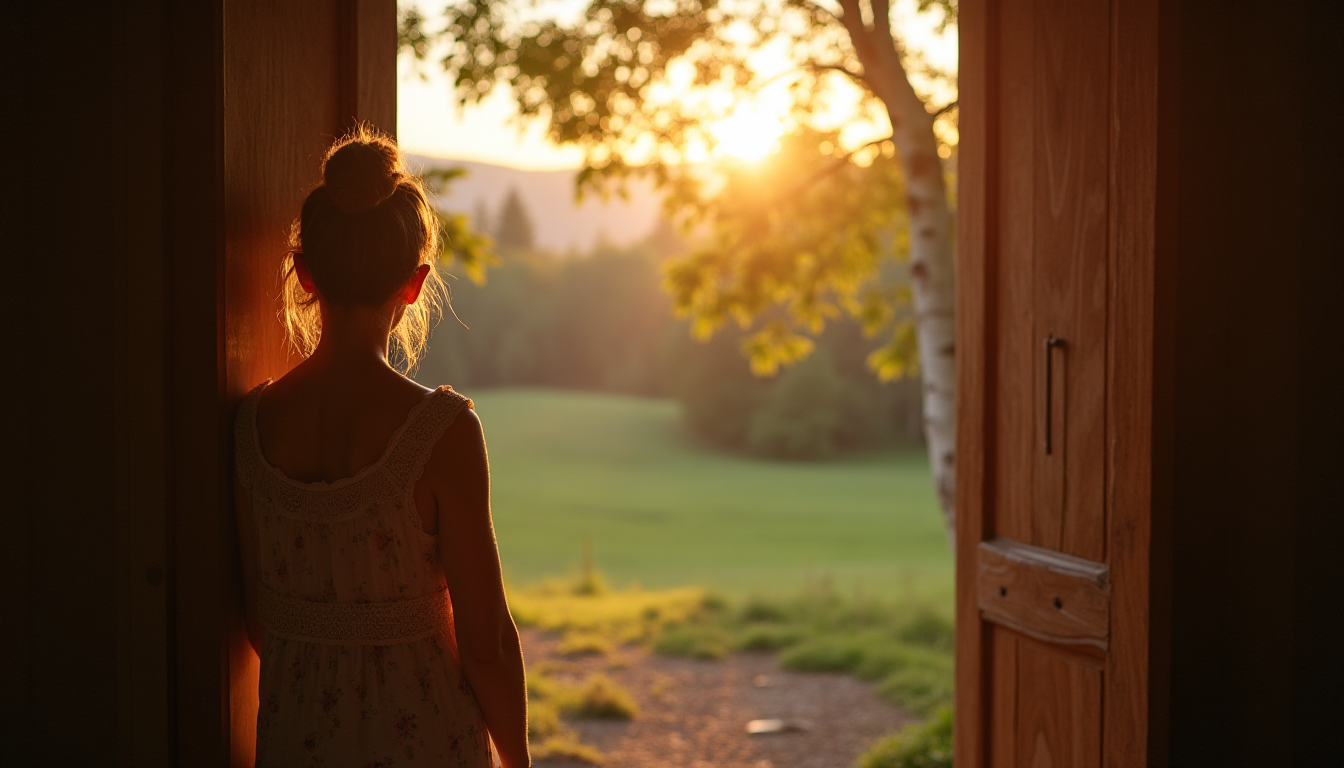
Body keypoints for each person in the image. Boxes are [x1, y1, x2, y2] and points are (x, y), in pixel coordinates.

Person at [233, 126, 530, 768]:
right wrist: (518, 760)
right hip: (427, 741)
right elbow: (486, 646)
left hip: (296, 738)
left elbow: (261, 622)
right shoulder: (441, 432)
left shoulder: (251, 426)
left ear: (306, 274)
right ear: (415, 283)